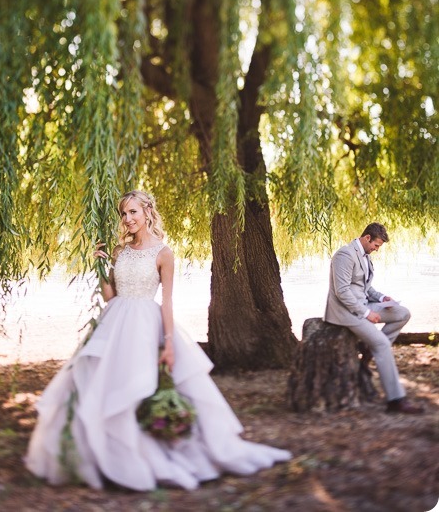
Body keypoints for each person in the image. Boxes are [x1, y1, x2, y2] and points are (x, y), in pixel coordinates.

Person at [25, 189, 291, 491]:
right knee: (104, 384)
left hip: (146, 325)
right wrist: (101, 270)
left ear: (148, 212)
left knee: (144, 385)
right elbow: (110, 297)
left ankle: (153, 452)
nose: (127, 219)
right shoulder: (118, 251)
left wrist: (168, 343)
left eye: (133, 212)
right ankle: (111, 456)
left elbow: (167, 302)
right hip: (115, 322)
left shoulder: (163, 253)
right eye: (123, 214)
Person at [324, 222, 423, 414]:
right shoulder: (344, 255)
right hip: (346, 312)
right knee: (383, 345)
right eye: (376, 245)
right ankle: (396, 400)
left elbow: (366, 287)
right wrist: (367, 313)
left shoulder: (365, 256)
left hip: (363, 305)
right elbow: (342, 291)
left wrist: (382, 298)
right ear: (367, 238)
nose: (376, 250)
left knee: (402, 313)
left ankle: (369, 349)